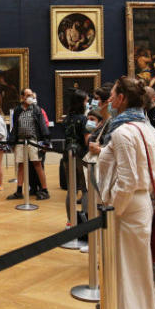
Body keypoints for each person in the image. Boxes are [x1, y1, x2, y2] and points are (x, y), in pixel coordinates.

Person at [97, 77, 155, 309]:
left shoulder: (123, 132)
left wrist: (113, 210)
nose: (109, 99)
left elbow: (127, 180)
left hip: (128, 205)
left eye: (112, 94)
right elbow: (154, 172)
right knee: (141, 268)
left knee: (128, 272)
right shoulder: (146, 128)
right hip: (143, 201)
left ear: (122, 97)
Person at [6, 88, 50, 201]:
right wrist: (12, 141)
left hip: (33, 141)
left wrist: (46, 141)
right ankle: (19, 191)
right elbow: (15, 126)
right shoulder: (17, 110)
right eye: (28, 95)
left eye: (31, 95)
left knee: (37, 165)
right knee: (21, 166)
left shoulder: (36, 109)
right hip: (21, 141)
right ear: (22, 97)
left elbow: (42, 125)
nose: (30, 97)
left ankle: (44, 190)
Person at [62, 89, 90, 223]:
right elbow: (86, 141)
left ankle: (70, 220)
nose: (88, 103)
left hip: (67, 155)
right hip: (81, 156)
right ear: (81, 102)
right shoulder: (84, 119)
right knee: (85, 189)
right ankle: (85, 221)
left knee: (71, 190)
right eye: (86, 101)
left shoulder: (66, 119)